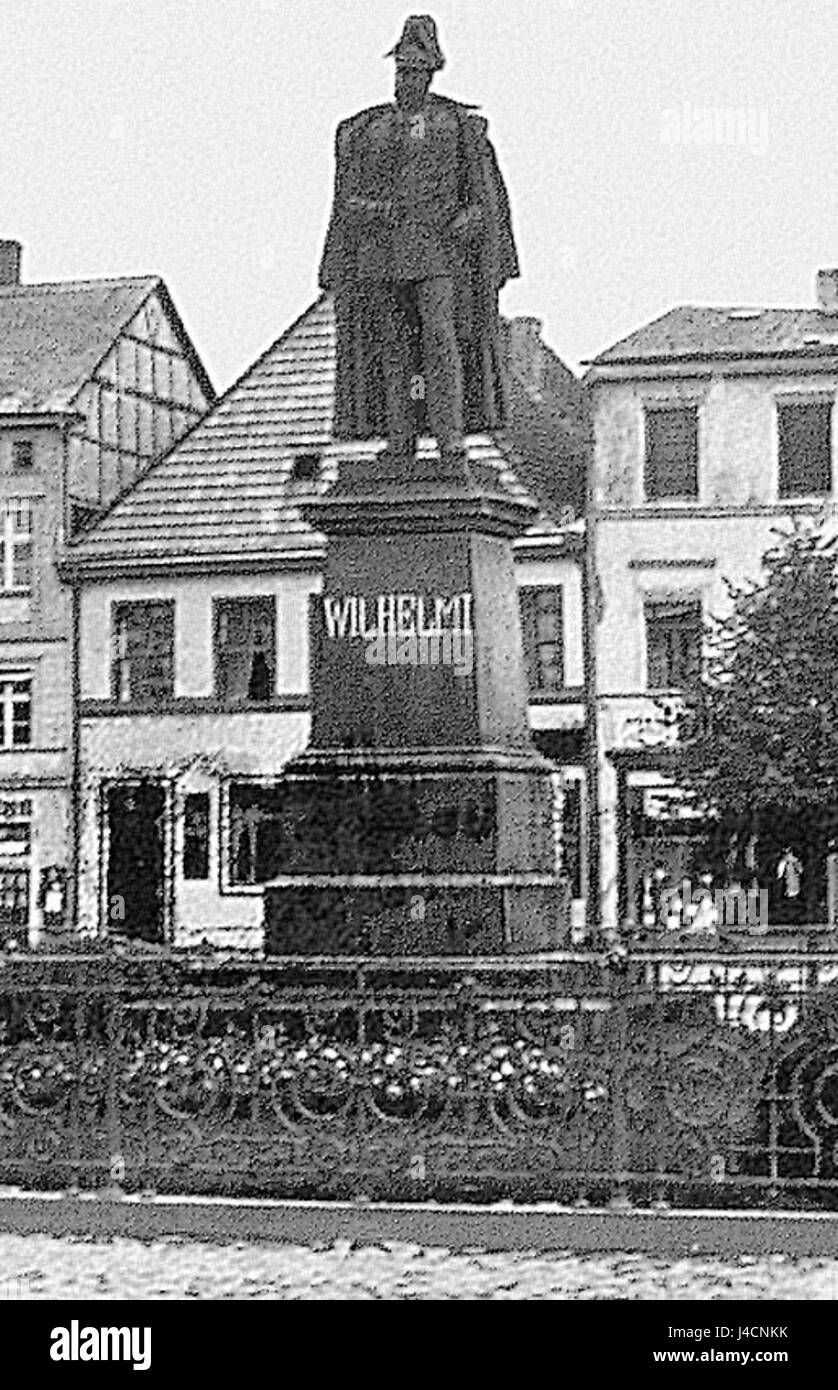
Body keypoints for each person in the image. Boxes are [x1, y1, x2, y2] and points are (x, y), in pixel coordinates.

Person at [319, 15, 520, 473]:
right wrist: (375, 211)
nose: (404, 80)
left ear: (431, 73)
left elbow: (482, 196)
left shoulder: (457, 126)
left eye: (413, 70)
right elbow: (347, 202)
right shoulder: (367, 131)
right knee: (393, 348)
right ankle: (401, 437)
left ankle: (450, 440)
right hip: (382, 257)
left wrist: (472, 217)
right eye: (400, 70)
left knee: (440, 339)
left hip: (438, 256)